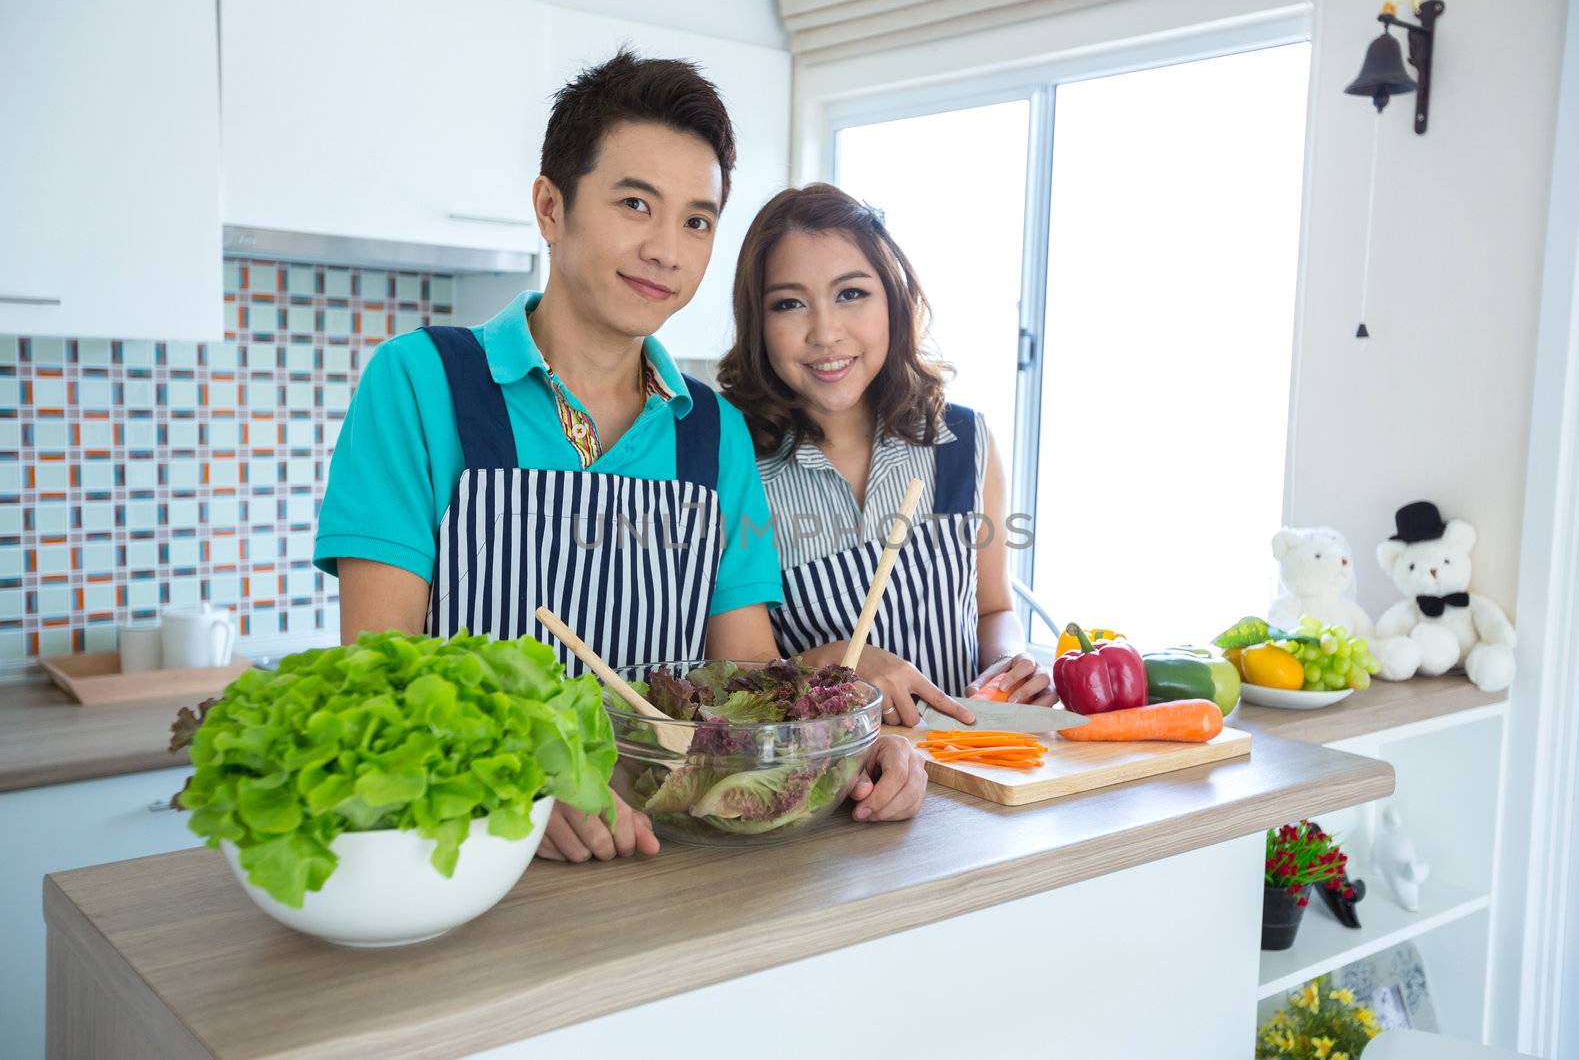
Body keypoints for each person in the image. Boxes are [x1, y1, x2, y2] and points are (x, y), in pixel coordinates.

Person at [315, 56, 925, 862]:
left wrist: (843, 743)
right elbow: (377, 675)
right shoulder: (422, 383)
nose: (666, 250)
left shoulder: (711, 432)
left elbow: (746, 683)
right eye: (636, 204)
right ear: (550, 207)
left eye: (697, 221)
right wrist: (522, 776)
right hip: (464, 856)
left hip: (660, 861)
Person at [718, 183, 1057, 728]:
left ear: (894, 301)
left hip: (970, 769)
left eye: (851, 293)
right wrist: (830, 665)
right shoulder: (734, 465)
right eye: (789, 303)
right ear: (758, 325)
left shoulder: (963, 442)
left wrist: (1006, 666)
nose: (825, 333)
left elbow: (994, 609)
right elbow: (735, 681)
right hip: (832, 787)